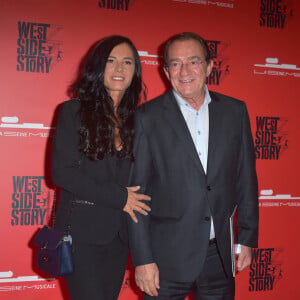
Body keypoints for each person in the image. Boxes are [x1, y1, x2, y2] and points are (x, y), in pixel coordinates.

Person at [128, 32, 259, 300]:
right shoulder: (146, 118)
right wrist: (142, 258)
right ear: (165, 71)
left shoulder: (235, 112)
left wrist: (246, 237)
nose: (184, 71)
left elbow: (246, 178)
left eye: (194, 61)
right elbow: (136, 195)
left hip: (219, 258)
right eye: (175, 63)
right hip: (164, 260)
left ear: (210, 66)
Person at [51, 35, 151, 300]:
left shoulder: (139, 121)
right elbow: (63, 173)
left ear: (135, 71)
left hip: (118, 237)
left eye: (127, 62)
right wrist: (120, 197)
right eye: (111, 61)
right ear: (98, 67)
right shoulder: (73, 111)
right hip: (81, 235)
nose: (120, 69)